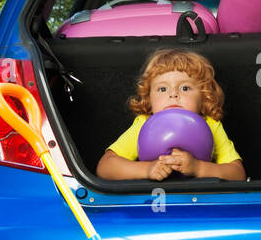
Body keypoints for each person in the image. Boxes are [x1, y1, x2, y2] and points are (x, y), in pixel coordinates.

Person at [96, 49, 246, 182]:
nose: (173, 94)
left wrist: (198, 168)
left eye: (185, 88)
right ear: (149, 99)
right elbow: (105, 166)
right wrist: (147, 170)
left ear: (204, 98)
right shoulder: (144, 124)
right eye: (162, 89)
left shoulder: (211, 125)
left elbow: (237, 174)